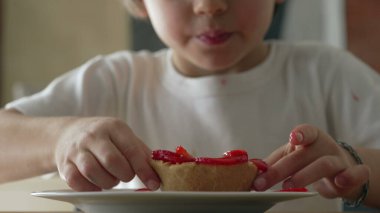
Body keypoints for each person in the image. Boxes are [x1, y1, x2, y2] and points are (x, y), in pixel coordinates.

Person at [0, 0, 379, 211]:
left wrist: (353, 165)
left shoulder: (327, 72)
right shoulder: (112, 81)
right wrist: (61, 138)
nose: (210, 5)